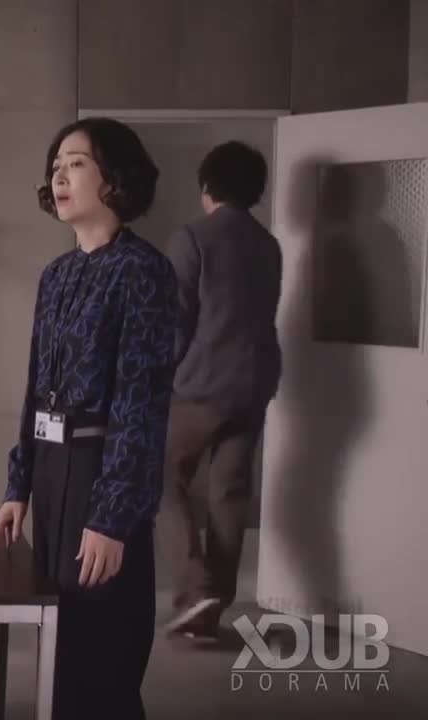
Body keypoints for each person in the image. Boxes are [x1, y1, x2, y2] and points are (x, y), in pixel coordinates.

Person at [0, 117, 178, 720]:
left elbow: (141, 403)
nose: (60, 176)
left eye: (77, 164)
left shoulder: (143, 270)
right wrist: (18, 486)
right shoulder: (57, 274)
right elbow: (35, 388)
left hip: (103, 475)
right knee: (61, 648)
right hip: (51, 472)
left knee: (102, 654)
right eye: (56, 166)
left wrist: (112, 517)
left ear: (114, 178)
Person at [159, 140, 282, 641]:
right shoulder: (268, 244)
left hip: (203, 384)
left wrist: (156, 376)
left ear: (206, 185)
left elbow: (176, 321)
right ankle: (209, 610)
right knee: (229, 492)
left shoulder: (193, 238)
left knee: (156, 473)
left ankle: (195, 588)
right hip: (255, 383)